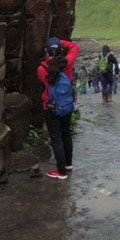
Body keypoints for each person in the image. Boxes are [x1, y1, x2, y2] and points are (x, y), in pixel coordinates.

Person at [37, 37, 79, 180]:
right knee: (66, 133)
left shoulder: (42, 69)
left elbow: (44, 83)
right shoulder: (67, 63)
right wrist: (60, 42)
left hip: (51, 106)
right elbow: (74, 47)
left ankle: (61, 171)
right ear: (61, 50)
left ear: (45, 51)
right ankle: (68, 164)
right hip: (67, 104)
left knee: (56, 138)